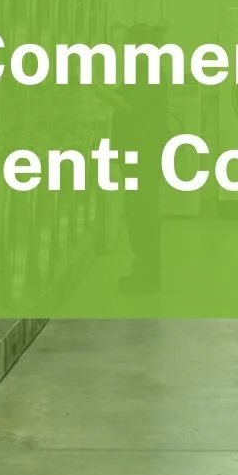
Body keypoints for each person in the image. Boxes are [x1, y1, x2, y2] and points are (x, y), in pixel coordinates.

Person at [102, 22, 169, 293]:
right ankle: (145, 268)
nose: (123, 46)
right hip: (142, 150)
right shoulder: (145, 66)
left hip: (143, 151)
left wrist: (92, 85)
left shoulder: (146, 67)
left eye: (127, 42)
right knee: (141, 210)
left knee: (141, 212)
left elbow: (128, 105)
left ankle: (148, 273)